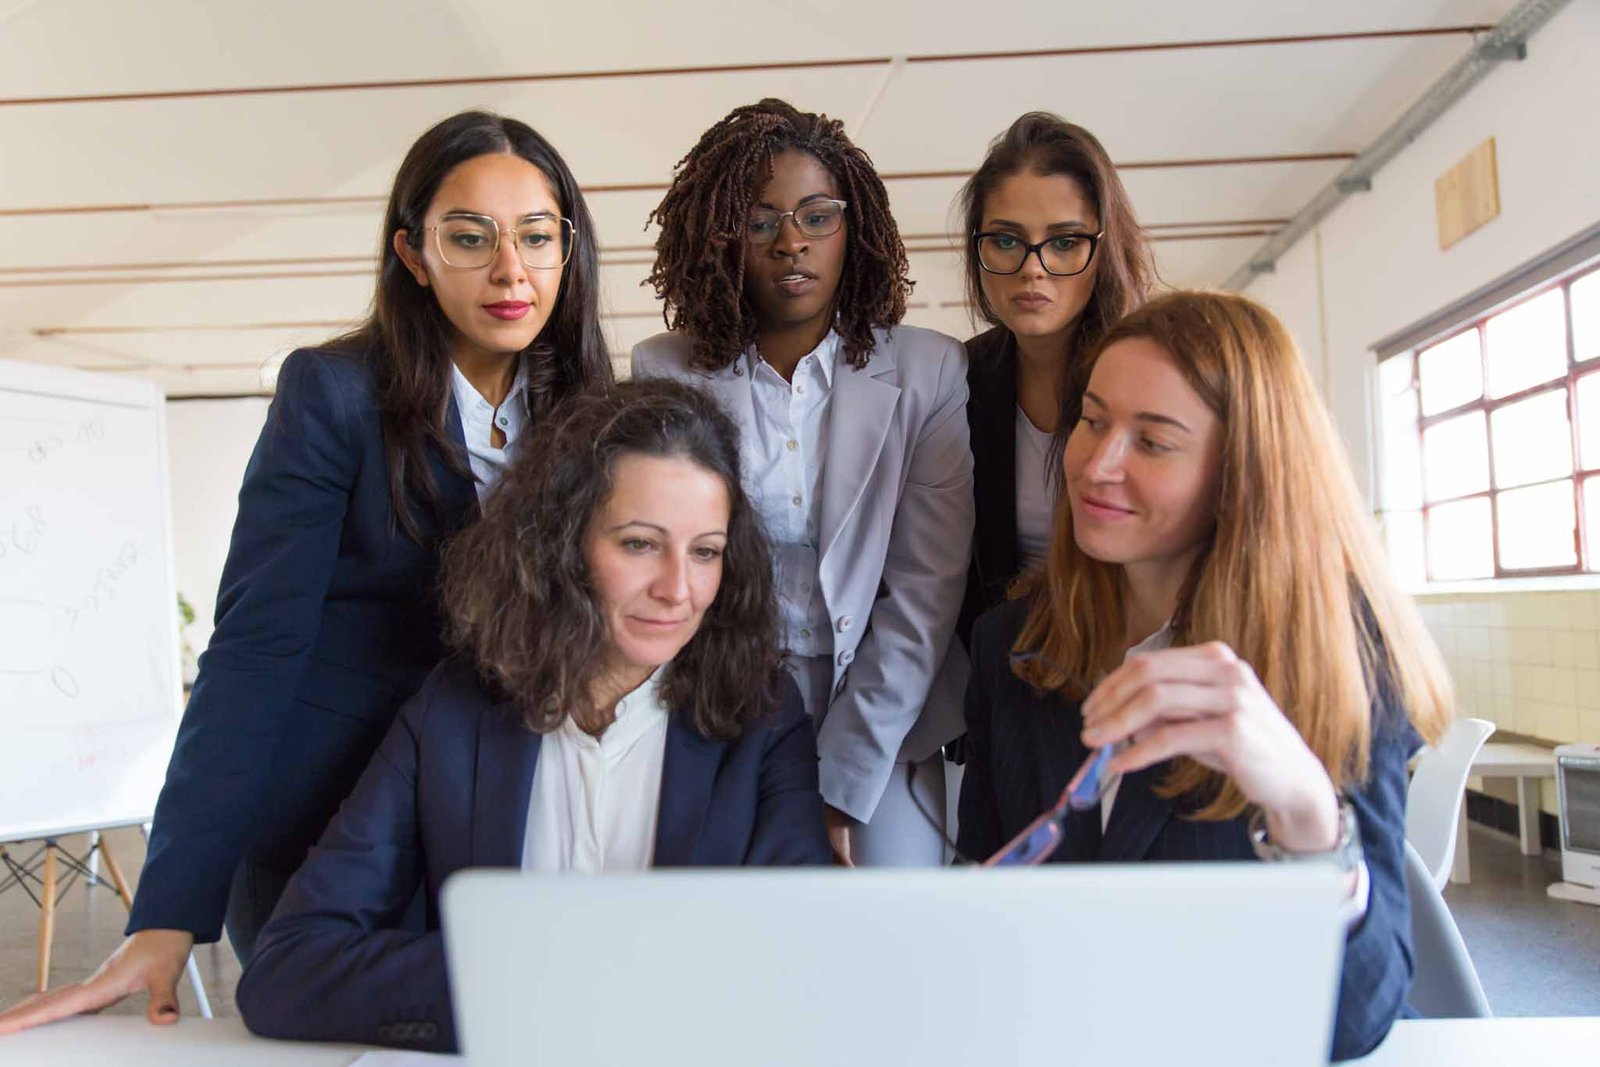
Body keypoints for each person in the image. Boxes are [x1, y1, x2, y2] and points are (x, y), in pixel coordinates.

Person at [0, 109, 611, 1033]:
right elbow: (253, 648)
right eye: (469, 237)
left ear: (568, 247)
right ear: (413, 253)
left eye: (536, 236)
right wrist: (169, 908)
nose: (510, 270)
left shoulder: (597, 413)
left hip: (509, 823)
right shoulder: (335, 393)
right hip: (326, 832)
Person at [234, 379, 831, 1052]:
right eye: (639, 543)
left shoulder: (764, 716)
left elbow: (803, 964)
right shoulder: (455, 711)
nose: (677, 589)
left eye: (705, 551)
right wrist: (527, 983)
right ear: (565, 541)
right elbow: (285, 967)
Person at [957, 291, 1453, 1061]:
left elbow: (1355, 1022)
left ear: (1241, 477)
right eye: (1092, 419)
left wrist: (1304, 808)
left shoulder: (1339, 657)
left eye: (1153, 442)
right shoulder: (1010, 645)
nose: (1096, 465)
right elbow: (987, 897)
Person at [633, 98, 974, 867]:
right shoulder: (665, 371)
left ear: (855, 228)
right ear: (722, 240)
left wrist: (839, 783)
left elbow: (924, 592)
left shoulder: (929, 372)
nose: (792, 242)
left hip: (888, 700)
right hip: (724, 694)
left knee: (891, 925)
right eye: (760, 223)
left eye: (817, 216)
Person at [955, 113, 1155, 646]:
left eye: (1065, 242)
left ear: (1104, 249)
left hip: (1138, 659)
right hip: (1008, 674)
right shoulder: (959, 381)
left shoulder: (1156, 375)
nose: (1032, 268)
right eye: (1006, 240)